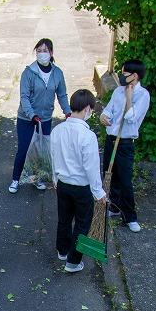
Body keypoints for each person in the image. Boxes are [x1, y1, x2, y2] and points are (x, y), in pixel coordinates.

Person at [51, 89, 106, 273]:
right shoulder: (88, 136)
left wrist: (55, 178)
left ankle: (62, 250)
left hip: (63, 184)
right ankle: (73, 262)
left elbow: (53, 156)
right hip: (82, 188)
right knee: (82, 224)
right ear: (87, 108)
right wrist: (99, 192)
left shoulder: (57, 130)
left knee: (64, 219)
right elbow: (91, 167)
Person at [9, 38, 71, 194]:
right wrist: (32, 114)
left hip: (45, 118)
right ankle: (16, 179)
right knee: (24, 149)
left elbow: (62, 95)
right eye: (39, 51)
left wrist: (68, 112)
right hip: (26, 118)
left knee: (40, 151)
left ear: (51, 53)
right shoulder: (28, 72)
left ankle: (37, 178)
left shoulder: (57, 73)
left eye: (45, 51)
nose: (42, 54)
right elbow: (24, 97)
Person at [100, 60, 150, 233]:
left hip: (125, 142)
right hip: (111, 138)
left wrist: (129, 97)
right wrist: (104, 116)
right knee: (109, 174)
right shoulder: (117, 91)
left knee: (125, 180)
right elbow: (108, 109)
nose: (122, 77)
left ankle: (130, 217)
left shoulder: (143, 95)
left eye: (125, 74)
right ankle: (114, 207)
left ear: (134, 76)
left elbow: (131, 118)